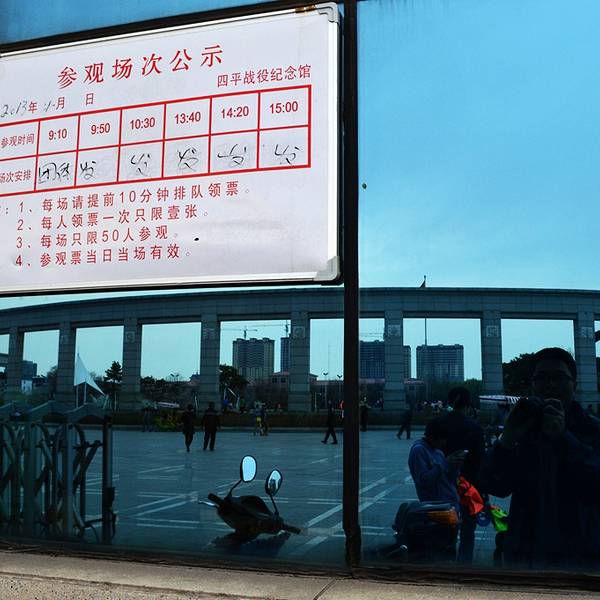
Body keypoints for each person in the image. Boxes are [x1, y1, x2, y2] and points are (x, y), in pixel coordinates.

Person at [480, 347, 600, 570]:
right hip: (526, 555)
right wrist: (507, 440)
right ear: (532, 385)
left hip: (582, 556)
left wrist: (563, 438)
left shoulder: (594, 431)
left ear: (574, 383)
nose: (551, 385)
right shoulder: (524, 428)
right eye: (542, 378)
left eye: (559, 378)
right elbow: (494, 485)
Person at [441, 387, 486, 565]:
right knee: (468, 530)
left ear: (449, 402)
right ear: (468, 404)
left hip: (443, 486)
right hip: (468, 486)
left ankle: (444, 562)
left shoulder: (438, 424)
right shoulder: (475, 428)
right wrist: (482, 493)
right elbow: (480, 462)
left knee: (445, 529)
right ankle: (464, 566)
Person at [408, 416, 466, 515]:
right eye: (442, 439)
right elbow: (423, 480)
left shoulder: (438, 452)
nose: (444, 442)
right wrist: (445, 463)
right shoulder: (419, 450)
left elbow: (449, 479)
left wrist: (455, 466)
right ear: (432, 437)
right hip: (436, 507)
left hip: (450, 504)